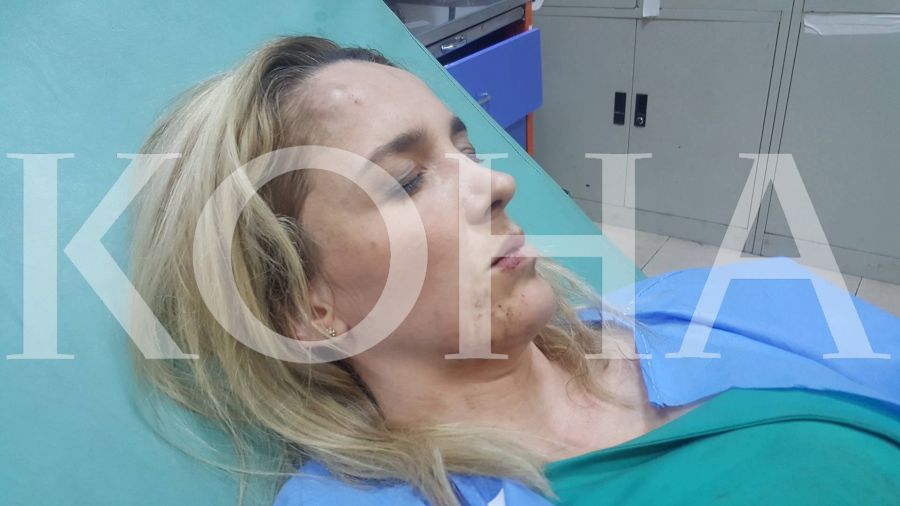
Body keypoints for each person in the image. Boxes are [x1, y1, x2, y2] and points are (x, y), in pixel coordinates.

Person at [129, 36, 899, 506]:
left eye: (466, 150)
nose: (495, 183)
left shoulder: (726, 301)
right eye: (407, 180)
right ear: (308, 310)